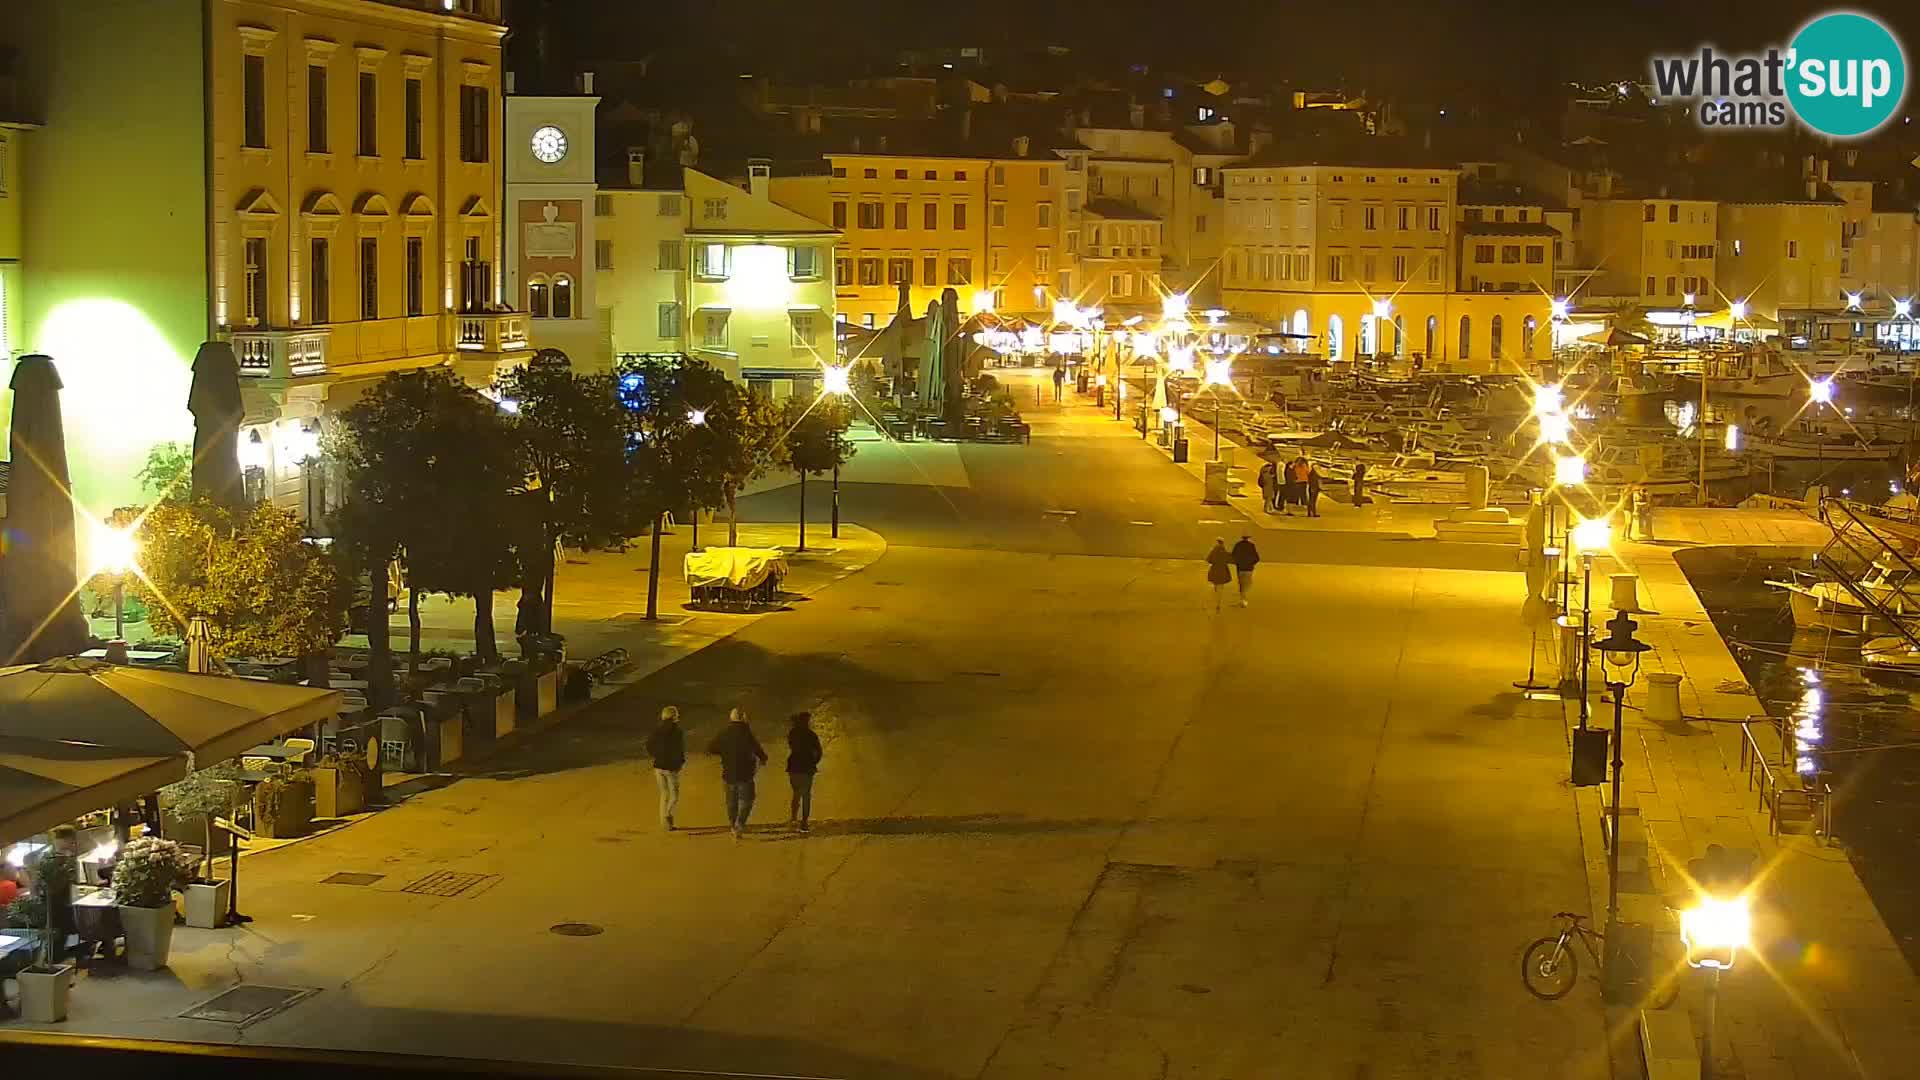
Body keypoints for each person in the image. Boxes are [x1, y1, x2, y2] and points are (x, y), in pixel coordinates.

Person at [708, 707, 768, 838]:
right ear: (744, 718)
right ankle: (740, 823)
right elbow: (758, 750)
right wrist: (763, 759)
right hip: (745, 774)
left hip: (728, 773)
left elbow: (711, 747)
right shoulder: (747, 733)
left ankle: (732, 825)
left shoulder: (724, 733)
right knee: (747, 800)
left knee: (731, 802)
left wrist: (724, 752)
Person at [646, 706, 687, 830]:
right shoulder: (677, 732)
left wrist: (656, 755)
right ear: (674, 716)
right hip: (671, 768)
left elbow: (649, 745)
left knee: (664, 794)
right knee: (674, 796)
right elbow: (679, 750)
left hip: (658, 766)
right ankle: (667, 815)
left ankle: (664, 823)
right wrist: (680, 763)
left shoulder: (657, 730)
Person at [786, 712, 824, 832]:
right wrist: (814, 762)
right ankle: (804, 822)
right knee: (806, 795)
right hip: (807, 768)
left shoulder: (792, 734)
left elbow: (791, 746)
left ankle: (793, 818)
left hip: (794, 768)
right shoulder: (811, 735)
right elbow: (819, 752)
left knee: (796, 793)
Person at [1229, 535, 1260, 606]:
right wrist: (1252, 563)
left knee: (1241, 584)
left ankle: (1242, 598)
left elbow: (1233, 555)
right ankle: (1244, 599)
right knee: (1247, 584)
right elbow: (1257, 558)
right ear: (1248, 538)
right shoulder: (1251, 546)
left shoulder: (1238, 545)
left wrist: (1237, 562)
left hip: (1240, 568)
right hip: (1249, 568)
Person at [1206, 539, 1233, 612]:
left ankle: (1217, 602)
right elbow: (1231, 560)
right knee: (1220, 587)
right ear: (1223, 543)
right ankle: (1218, 603)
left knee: (1216, 586)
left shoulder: (1213, 551)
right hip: (1223, 571)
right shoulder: (1225, 552)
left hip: (1214, 571)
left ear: (1217, 543)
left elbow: (1208, 560)